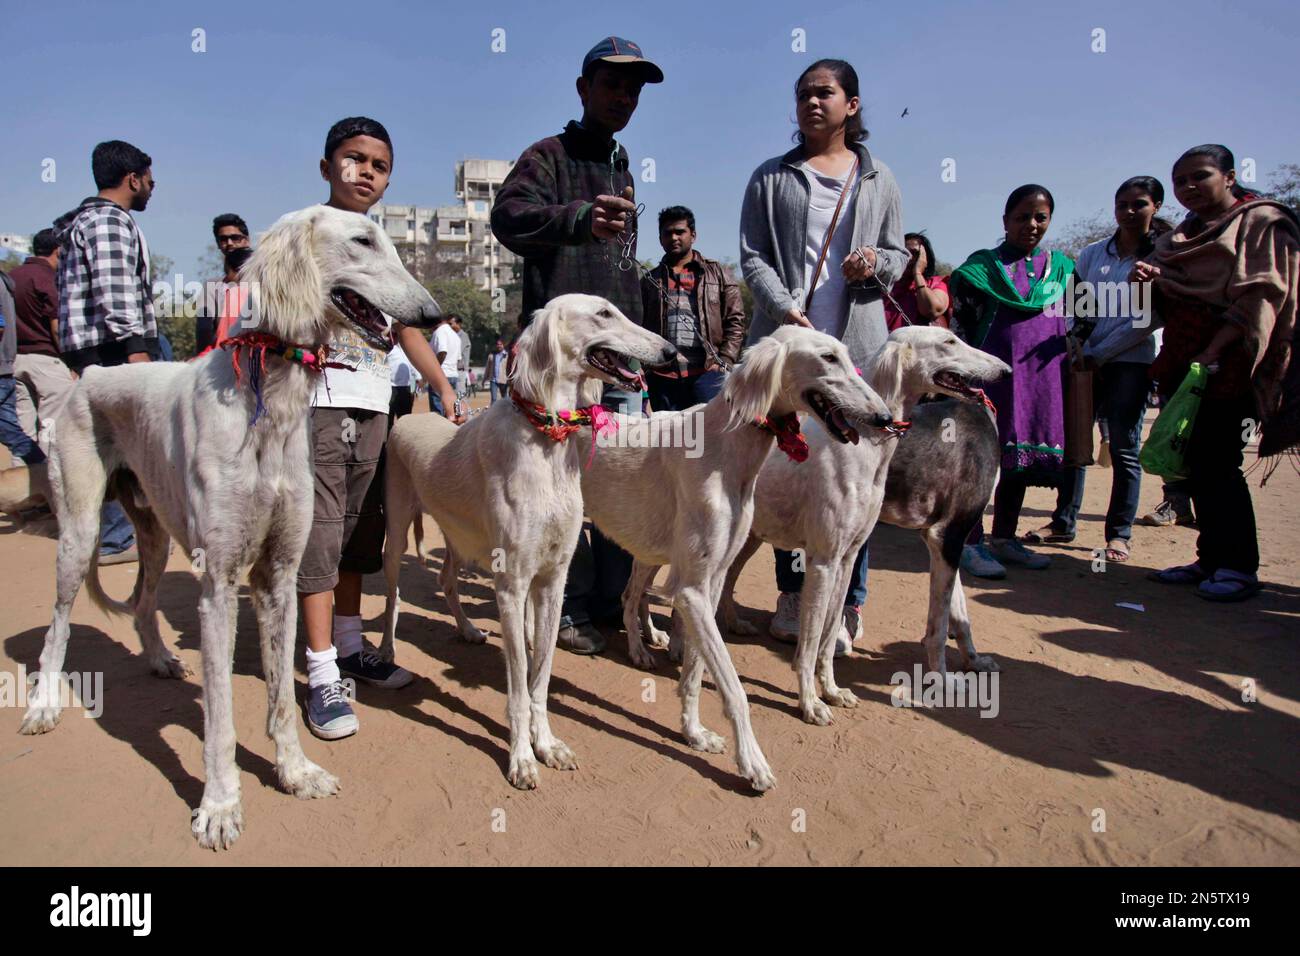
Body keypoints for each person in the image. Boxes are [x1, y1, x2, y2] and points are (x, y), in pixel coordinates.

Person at [490, 35, 664, 655]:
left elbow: (622, 267)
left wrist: (643, 341)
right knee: (552, 487)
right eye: (613, 84)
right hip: (560, 368)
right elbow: (506, 217)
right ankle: (565, 607)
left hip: (613, 363)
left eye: (634, 88)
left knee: (615, 481)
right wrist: (575, 218)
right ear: (583, 89)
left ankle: (610, 600)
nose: (624, 97)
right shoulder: (548, 155)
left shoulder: (622, 164)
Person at [296, 116, 461, 741]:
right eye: (354, 158)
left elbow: (405, 326)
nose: (366, 172)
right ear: (325, 166)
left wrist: (440, 385)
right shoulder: (308, 233)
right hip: (320, 401)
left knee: (361, 534)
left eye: (380, 164)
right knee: (319, 535)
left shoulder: (380, 244)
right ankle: (319, 672)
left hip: (376, 403)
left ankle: (347, 645)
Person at [739, 58, 908, 651]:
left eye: (826, 93)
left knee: (853, 481)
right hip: (788, 355)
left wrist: (877, 264)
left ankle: (846, 603)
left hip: (856, 352)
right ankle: (792, 593)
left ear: (852, 105)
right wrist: (785, 309)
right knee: (782, 470)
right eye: (804, 94)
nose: (813, 103)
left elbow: (898, 254)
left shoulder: (879, 177)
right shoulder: (771, 176)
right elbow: (753, 256)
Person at [1137, 144, 1299, 602]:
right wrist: (1149, 285)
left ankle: (1238, 567)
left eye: (1199, 177)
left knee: (1219, 461)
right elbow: (1159, 309)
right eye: (1180, 181)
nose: (1189, 188)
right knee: (1195, 465)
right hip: (1185, 367)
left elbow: (1260, 299)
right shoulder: (1180, 240)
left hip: (1231, 368)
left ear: (1229, 177)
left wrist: (1212, 352)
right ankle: (1210, 558)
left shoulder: (1261, 224)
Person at [949, 184, 1073, 578]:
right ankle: (969, 542)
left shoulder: (1064, 271)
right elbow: (962, 327)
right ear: (1005, 221)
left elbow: (1082, 322)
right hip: (991, 378)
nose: (1032, 224)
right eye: (1022, 217)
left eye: (1041, 217)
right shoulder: (979, 270)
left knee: (1016, 460)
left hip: (1042, 380)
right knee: (980, 460)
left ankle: (1005, 537)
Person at [50, 139, 164, 564]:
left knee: (109, 458)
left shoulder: (83, 222)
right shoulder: (110, 223)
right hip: (117, 359)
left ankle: (113, 537)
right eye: (150, 180)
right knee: (125, 455)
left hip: (95, 360)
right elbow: (117, 299)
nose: (153, 187)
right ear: (132, 179)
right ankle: (119, 540)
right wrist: (139, 361)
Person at [1045, 177, 1170, 563]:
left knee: (1124, 448)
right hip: (1087, 362)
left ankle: (1119, 535)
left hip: (1131, 362)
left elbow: (1149, 318)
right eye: (1123, 205)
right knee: (1076, 444)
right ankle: (1063, 523)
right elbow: (1078, 308)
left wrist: (1104, 352)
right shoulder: (1091, 255)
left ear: (1157, 207)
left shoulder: (1163, 257)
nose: (1130, 212)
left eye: (1140, 204)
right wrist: (1081, 348)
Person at [641, 205, 748, 409]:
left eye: (680, 232)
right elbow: (641, 324)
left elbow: (736, 321)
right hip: (663, 376)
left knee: (710, 437)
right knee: (670, 438)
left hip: (707, 373)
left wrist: (724, 360)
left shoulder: (718, 273)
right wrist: (647, 367)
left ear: (693, 235)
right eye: (667, 233)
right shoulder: (650, 280)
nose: (673, 238)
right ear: (660, 238)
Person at [9, 229, 76, 451]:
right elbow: (56, 326)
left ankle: (25, 480)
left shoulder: (12, 276)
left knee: (24, 430)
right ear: (58, 251)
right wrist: (70, 361)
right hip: (47, 361)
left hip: (15, 361)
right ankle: (50, 482)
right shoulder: (49, 278)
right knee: (52, 428)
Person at [1, 270, 46, 468]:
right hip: (5, 369)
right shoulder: (4, 281)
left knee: (11, 431)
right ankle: (45, 472)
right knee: (11, 431)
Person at [196, 214, 252, 352]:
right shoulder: (212, 287)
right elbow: (204, 327)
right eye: (223, 239)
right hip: (222, 357)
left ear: (247, 240)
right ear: (218, 243)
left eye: (235, 237)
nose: (230, 243)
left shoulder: (266, 284)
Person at [884, 232, 950, 330]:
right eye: (904, 252)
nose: (908, 257)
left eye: (915, 253)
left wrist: (918, 273)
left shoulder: (936, 283)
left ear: (925, 259)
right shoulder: (882, 283)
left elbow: (932, 310)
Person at [429, 313, 461, 415]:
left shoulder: (440, 332)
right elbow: (458, 359)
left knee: (438, 411)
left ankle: (439, 430)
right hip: (453, 375)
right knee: (451, 410)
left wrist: (434, 369)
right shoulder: (455, 336)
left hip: (441, 376)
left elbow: (442, 352)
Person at [484, 338, 509, 403]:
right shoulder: (491, 355)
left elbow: (510, 368)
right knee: (493, 399)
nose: (499, 346)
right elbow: (487, 368)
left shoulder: (507, 355)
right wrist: (484, 379)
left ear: (503, 345)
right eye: (498, 344)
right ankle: (493, 412)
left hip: (503, 380)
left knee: (505, 399)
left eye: (500, 344)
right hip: (493, 380)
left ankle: (505, 412)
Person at [454, 315, 472, 398]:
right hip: (452, 370)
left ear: (459, 324)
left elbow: (456, 352)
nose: (449, 326)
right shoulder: (452, 335)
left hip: (459, 371)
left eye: (451, 323)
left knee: (460, 398)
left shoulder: (463, 336)